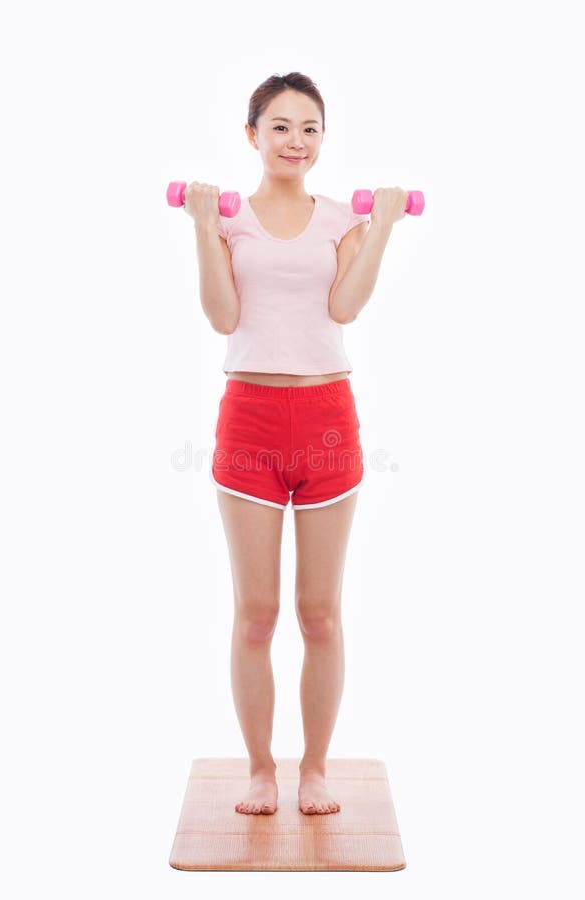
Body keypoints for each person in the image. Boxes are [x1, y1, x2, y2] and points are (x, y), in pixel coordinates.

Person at [184, 72, 408, 816]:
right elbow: (222, 317)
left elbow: (344, 304)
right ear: (253, 135)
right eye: (280, 127)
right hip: (248, 418)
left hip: (326, 422)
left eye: (310, 128)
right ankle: (258, 769)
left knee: (320, 612)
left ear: (322, 139)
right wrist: (199, 224)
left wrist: (381, 228)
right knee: (256, 613)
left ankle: (313, 768)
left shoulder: (341, 218)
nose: (296, 141)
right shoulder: (230, 219)